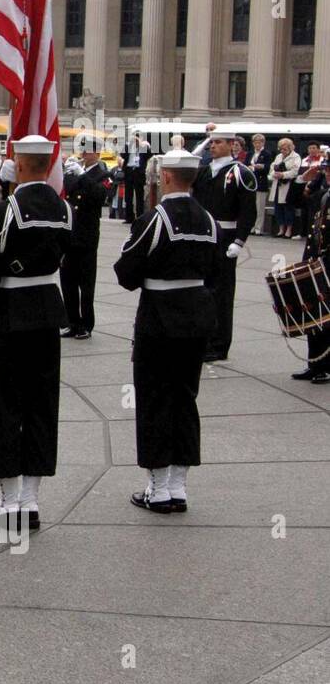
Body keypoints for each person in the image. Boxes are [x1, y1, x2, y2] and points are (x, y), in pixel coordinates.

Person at [0, 136, 72, 531]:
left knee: (6, 403)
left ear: (19, 163)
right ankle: (31, 499)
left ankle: (9, 500)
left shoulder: (4, 211)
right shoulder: (63, 207)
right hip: (48, 310)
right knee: (41, 404)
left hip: (12, 312)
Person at [114, 148, 219, 513]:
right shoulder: (207, 219)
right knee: (185, 399)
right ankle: (178, 486)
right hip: (197, 317)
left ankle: (157, 488)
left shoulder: (156, 218)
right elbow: (216, 271)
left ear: (167, 177)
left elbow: (126, 271)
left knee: (155, 399)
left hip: (160, 318)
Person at [190, 129, 257, 362]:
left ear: (232, 145)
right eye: (211, 143)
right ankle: (204, 338)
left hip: (226, 237)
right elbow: (184, 170)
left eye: (218, 142)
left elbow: (249, 212)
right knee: (203, 290)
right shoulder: (205, 171)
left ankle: (219, 344)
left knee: (222, 293)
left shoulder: (241, 173)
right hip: (204, 237)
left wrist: (239, 241)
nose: (213, 146)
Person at [60, 135, 110, 340]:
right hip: (71, 232)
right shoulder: (76, 170)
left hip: (87, 234)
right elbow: (68, 191)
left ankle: (86, 324)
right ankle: (71, 321)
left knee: (86, 283)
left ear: (97, 153)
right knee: (68, 281)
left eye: (88, 150)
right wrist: (69, 173)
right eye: (82, 150)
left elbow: (99, 196)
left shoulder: (102, 173)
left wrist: (82, 176)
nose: (83, 154)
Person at [292, 157, 330, 384]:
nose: (327, 172)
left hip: (328, 260)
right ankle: (314, 363)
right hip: (316, 257)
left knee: (326, 316)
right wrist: (304, 181)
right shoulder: (322, 191)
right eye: (326, 169)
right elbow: (301, 203)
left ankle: (323, 366)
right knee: (314, 312)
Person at [269, 138, 302, 239]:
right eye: (281, 149)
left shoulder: (296, 157)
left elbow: (295, 171)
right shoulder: (278, 156)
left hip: (289, 185)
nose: (283, 151)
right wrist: (274, 174)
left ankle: (289, 230)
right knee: (278, 208)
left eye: (285, 149)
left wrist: (283, 174)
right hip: (277, 185)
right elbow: (272, 168)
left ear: (290, 147)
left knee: (288, 208)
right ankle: (281, 229)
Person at [119, 131, 149, 224]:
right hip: (129, 170)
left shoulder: (144, 146)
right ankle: (129, 217)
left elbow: (149, 155)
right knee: (128, 196)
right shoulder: (128, 146)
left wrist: (142, 145)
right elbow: (122, 155)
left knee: (139, 196)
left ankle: (140, 216)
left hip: (139, 172)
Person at [249, 133, 273, 236]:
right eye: (255, 142)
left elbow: (268, 168)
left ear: (263, 143)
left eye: (259, 142)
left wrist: (261, 167)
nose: (257, 144)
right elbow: (245, 164)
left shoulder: (267, 154)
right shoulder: (250, 153)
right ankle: (252, 226)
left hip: (261, 183)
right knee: (251, 207)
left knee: (260, 207)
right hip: (250, 184)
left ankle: (259, 228)